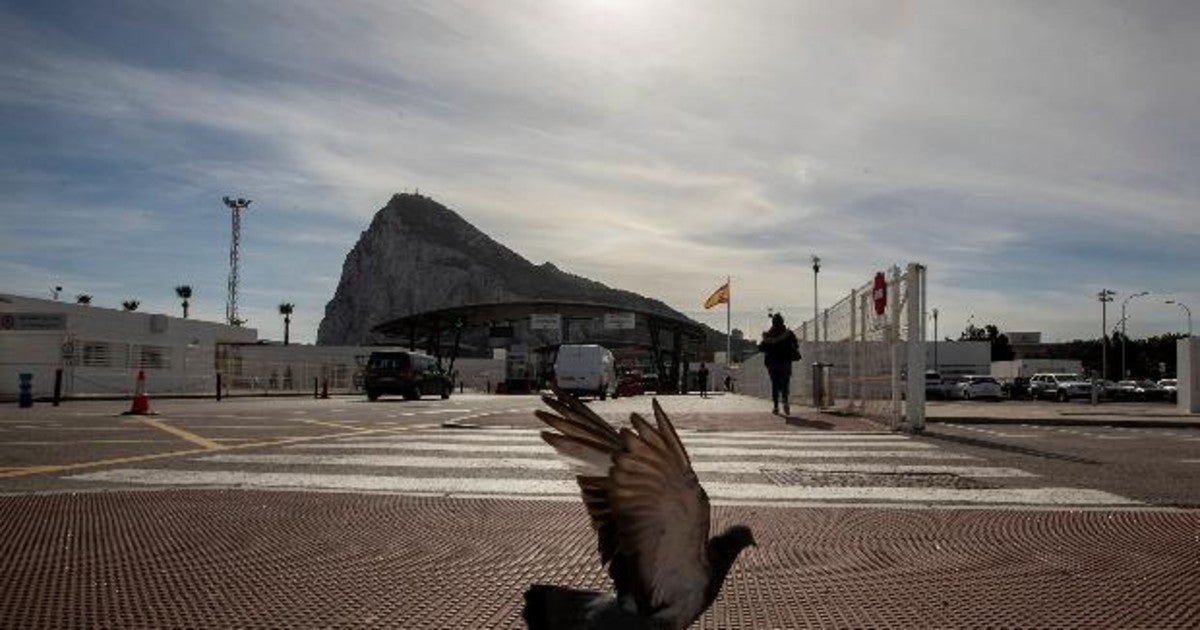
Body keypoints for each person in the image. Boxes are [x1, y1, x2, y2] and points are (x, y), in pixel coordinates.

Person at [759, 313, 800, 416]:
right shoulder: (789, 333)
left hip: (772, 363)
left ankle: (776, 406)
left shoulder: (768, 334)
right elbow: (796, 344)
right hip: (786, 362)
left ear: (773, 322)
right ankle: (785, 401)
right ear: (783, 321)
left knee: (775, 384)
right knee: (785, 383)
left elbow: (761, 348)